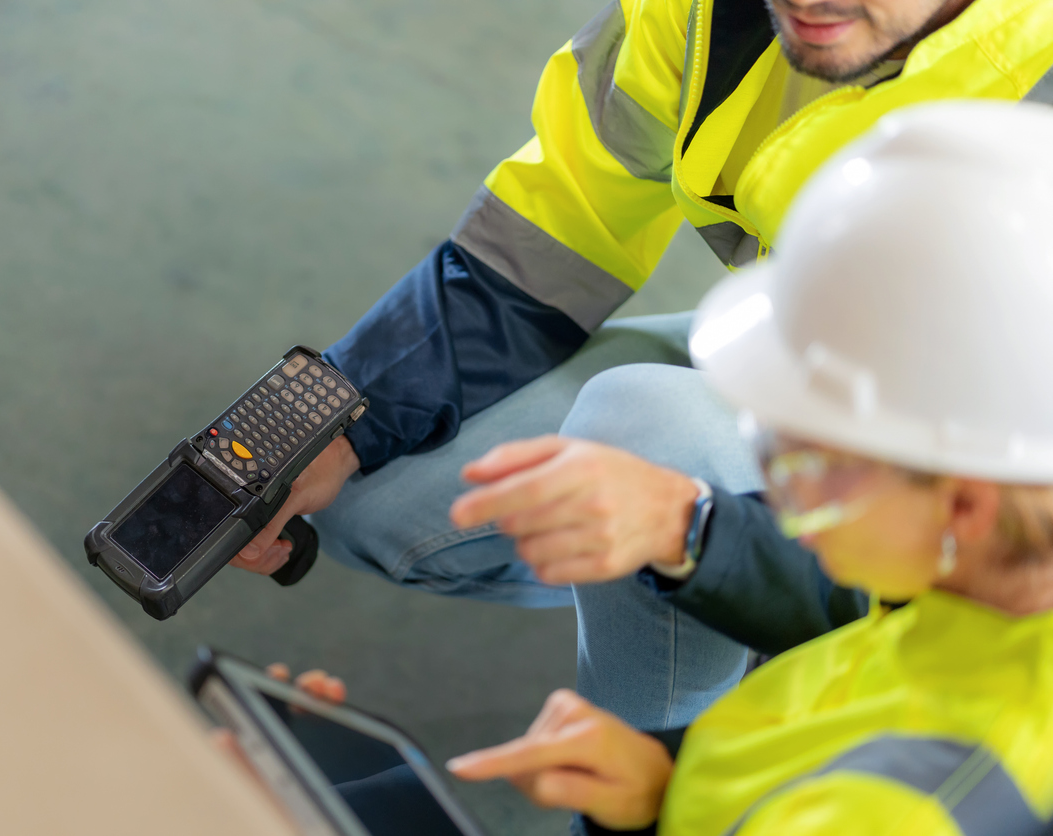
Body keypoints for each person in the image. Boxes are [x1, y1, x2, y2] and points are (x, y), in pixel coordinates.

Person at [231, 0, 1053, 733]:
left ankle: (648, 762)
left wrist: (697, 535)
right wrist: (349, 413)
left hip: (1002, 494)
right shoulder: (697, 16)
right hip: (822, 353)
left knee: (644, 429)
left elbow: (1016, 570)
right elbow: (545, 244)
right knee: (376, 502)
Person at [436, 101, 1053, 834]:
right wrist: (660, 791)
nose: (782, 494)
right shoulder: (981, 592)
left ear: (965, 509)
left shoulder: (907, 808)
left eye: (814, 461)